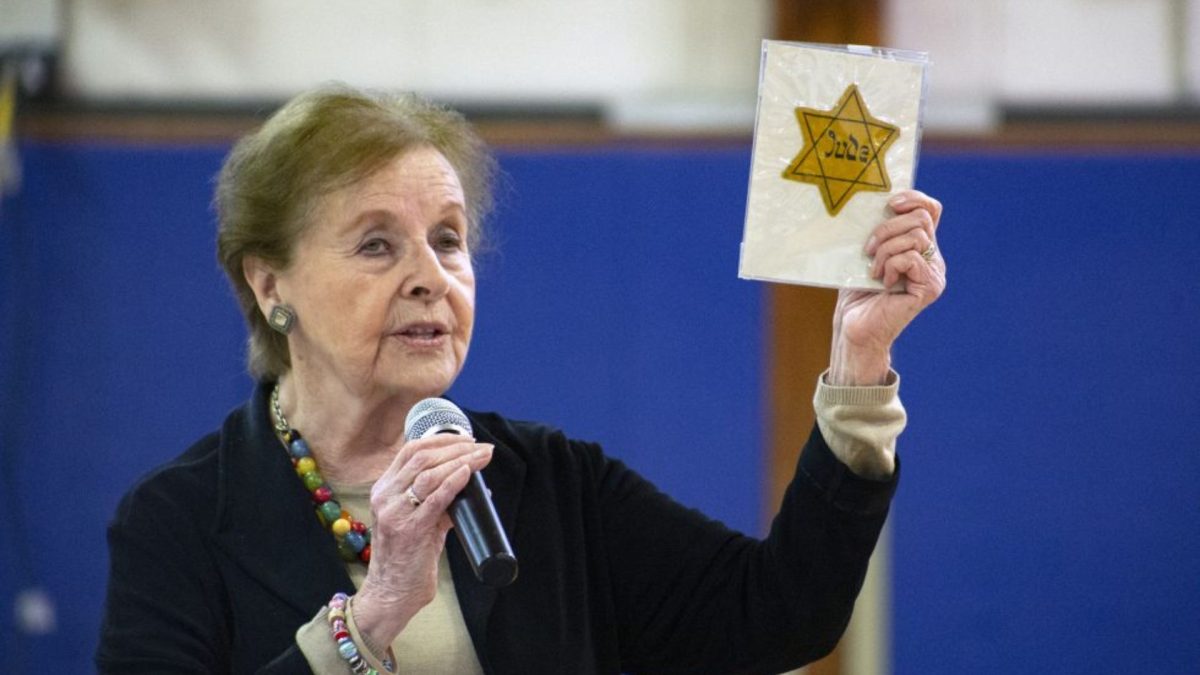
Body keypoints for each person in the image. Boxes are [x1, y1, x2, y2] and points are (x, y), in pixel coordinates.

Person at [96, 84, 946, 675]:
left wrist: (859, 362)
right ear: (268, 283)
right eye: (377, 244)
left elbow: (780, 613)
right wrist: (373, 617)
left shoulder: (551, 486)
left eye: (450, 239)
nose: (432, 276)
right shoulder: (179, 520)